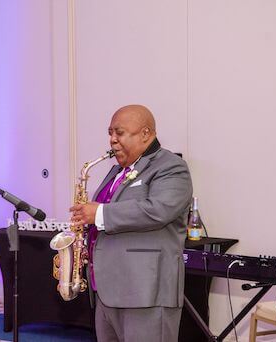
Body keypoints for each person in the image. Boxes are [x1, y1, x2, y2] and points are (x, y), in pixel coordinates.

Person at [70, 104, 193, 342]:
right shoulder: (117, 171)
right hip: (107, 290)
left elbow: (158, 209)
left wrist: (98, 214)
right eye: (110, 133)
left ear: (145, 134)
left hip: (145, 292)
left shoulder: (171, 167)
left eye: (119, 132)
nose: (112, 140)